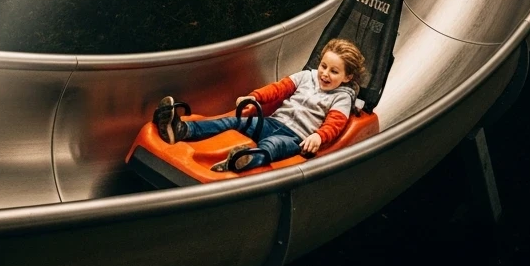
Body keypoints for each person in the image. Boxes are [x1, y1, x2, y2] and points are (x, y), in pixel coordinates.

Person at [153, 39, 369, 173]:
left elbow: (335, 123)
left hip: (295, 137)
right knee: (233, 121)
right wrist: (255, 97)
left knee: (273, 146)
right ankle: (183, 130)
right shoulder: (307, 76)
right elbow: (278, 88)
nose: (325, 73)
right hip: (271, 122)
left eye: (334, 71)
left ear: (347, 77)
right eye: (324, 66)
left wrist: (319, 137)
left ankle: (243, 161)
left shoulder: (342, 97)